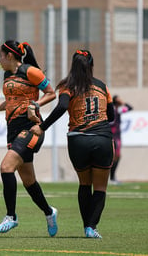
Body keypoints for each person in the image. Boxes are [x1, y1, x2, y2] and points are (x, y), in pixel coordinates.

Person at [0, 40, 58, 237]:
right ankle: (50, 212)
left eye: (0, 56)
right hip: (13, 129)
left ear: (9, 56)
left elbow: (52, 93)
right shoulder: (7, 75)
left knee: (6, 167)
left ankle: (11, 217)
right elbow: (10, 102)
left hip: (31, 127)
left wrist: (36, 104)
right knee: (28, 180)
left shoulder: (31, 71)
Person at [30, 50, 114, 239]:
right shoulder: (102, 86)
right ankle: (92, 228)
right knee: (100, 187)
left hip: (78, 139)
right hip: (102, 139)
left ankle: (87, 227)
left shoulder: (67, 85)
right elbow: (112, 116)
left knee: (85, 183)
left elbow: (61, 107)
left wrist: (42, 127)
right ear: (91, 64)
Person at [109, 95, 133, 184]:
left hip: (115, 136)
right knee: (115, 156)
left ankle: (112, 177)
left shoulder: (114, 110)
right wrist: (122, 102)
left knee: (116, 156)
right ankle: (111, 177)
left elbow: (130, 108)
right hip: (114, 136)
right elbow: (129, 107)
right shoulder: (116, 110)